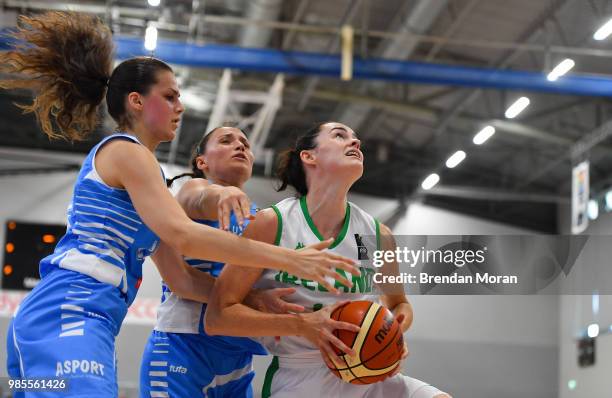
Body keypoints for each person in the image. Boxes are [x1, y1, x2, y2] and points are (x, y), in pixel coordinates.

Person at [1, 13, 356, 397]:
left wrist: (254, 297)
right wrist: (291, 260)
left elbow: (183, 278)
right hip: (70, 313)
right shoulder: (127, 152)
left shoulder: (144, 175)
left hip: (77, 320)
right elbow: (185, 234)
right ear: (136, 102)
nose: (180, 107)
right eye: (170, 96)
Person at [206, 122, 451, 398]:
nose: (355, 143)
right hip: (300, 378)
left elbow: (399, 304)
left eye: (356, 139)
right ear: (309, 156)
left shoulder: (377, 234)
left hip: (367, 377)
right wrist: (301, 325)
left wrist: (393, 330)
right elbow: (217, 317)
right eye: (340, 135)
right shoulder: (272, 223)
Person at [140, 126, 316, 397]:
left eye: (245, 143)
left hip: (237, 356)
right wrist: (222, 193)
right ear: (202, 162)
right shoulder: (190, 188)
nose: (240, 146)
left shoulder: (259, 217)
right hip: (185, 344)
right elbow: (199, 198)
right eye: (226, 141)